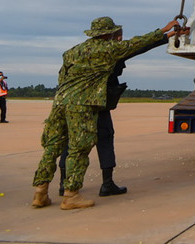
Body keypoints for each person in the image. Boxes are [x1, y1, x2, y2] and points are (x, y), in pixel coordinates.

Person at [31, 16, 182, 210]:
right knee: (79, 148)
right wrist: (165, 29)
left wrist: (168, 34)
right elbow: (137, 44)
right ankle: (71, 195)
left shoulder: (71, 52)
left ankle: (40, 193)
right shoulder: (108, 50)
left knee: (52, 147)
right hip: (83, 104)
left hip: (60, 101)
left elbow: (62, 77)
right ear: (109, 33)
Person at [57, 42, 164, 198]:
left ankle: (63, 184)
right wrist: (166, 36)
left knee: (71, 142)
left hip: (75, 106)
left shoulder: (76, 53)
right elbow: (138, 47)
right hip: (98, 107)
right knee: (105, 140)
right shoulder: (109, 52)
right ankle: (107, 184)